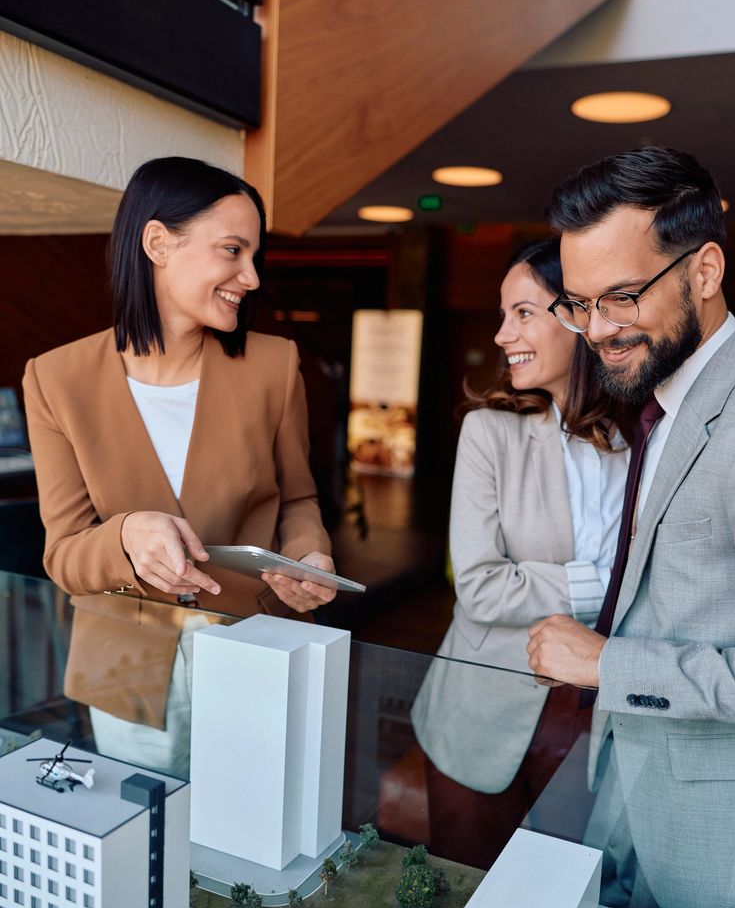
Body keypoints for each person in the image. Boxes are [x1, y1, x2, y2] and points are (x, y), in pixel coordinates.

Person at [526, 146, 735, 908]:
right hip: (634, 795)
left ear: (705, 271)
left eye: (622, 297)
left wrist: (608, 663)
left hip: (721, 845)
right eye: (579, 304)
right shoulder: (667, 400)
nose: (597, 330)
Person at [23, 156, 334, 773]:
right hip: (125, 667)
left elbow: (298, 499)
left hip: (253, 646)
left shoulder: (275, 366)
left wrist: (308, 556)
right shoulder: (56, 379)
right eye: (233, 251)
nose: (251, 277)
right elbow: (63, 555)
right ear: (159, 244)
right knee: (149, 824)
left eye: (255, 256)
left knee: (246, 822)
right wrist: (126, 535)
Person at [411, 239, 634, 867]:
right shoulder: (489, 433)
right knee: (462, 891)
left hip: (598, 723)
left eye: (523, 313)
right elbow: (480, 587)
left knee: (565, 895)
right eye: (503, 313)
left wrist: (544, 579)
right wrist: (603, 585)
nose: (503, 333)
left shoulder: (648, 442)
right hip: (479, 713)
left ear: (580, 316)